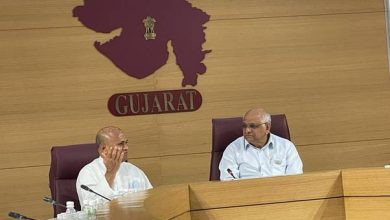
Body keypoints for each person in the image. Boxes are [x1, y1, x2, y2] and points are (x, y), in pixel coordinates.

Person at [76, 126, 152, 208]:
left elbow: (151, 200)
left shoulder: (134, 170)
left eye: (126, 143)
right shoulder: (88, 173)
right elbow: (90, 209)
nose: (126, 147)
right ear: (103, 149)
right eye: (120, 144)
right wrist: (110, 172)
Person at [219, 108, 303, 180]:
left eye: (253, 126)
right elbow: (228, 181)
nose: (247, 130)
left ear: (267, 127)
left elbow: (295, 179)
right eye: (244, 126)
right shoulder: (232, 149)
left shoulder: (286, 147)